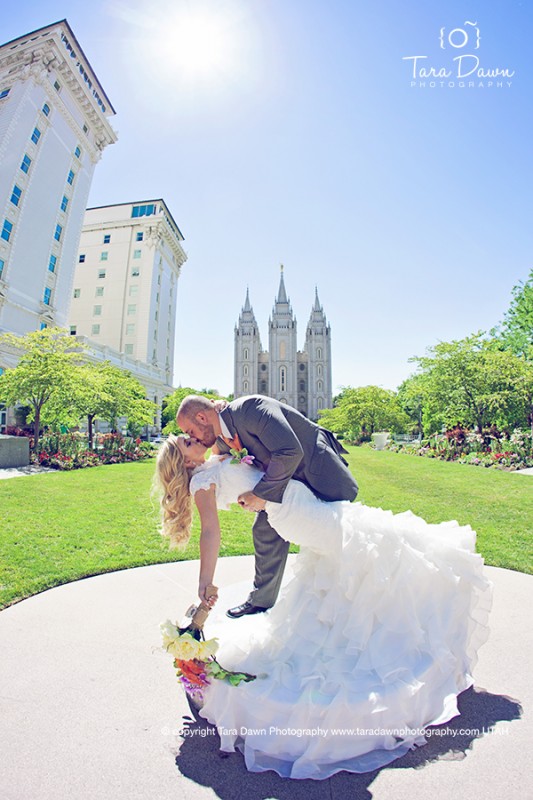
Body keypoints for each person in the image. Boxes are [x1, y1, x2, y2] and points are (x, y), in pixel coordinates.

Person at [155, 434, 492, 780]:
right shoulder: (202, 481)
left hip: (300, 502)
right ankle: (393, 614)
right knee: (371, 543)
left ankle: (361, 621)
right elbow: (210, 531)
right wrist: (205, 583)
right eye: (184, 442)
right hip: (295, 513)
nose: (191, 437)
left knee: (357, 549)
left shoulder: (214, 459)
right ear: (184, 463)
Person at [176, 394, 358, 617]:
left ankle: (357, 591)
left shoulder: (252, 409)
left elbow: (290, 450)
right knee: (264, 530)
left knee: (341, 534)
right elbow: (217, 459)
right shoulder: (220, 438)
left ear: (202, 417)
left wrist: (260, 495)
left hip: (317, 471)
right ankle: (261, 600)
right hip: (285, 487)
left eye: (190, 432)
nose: (192, 437)